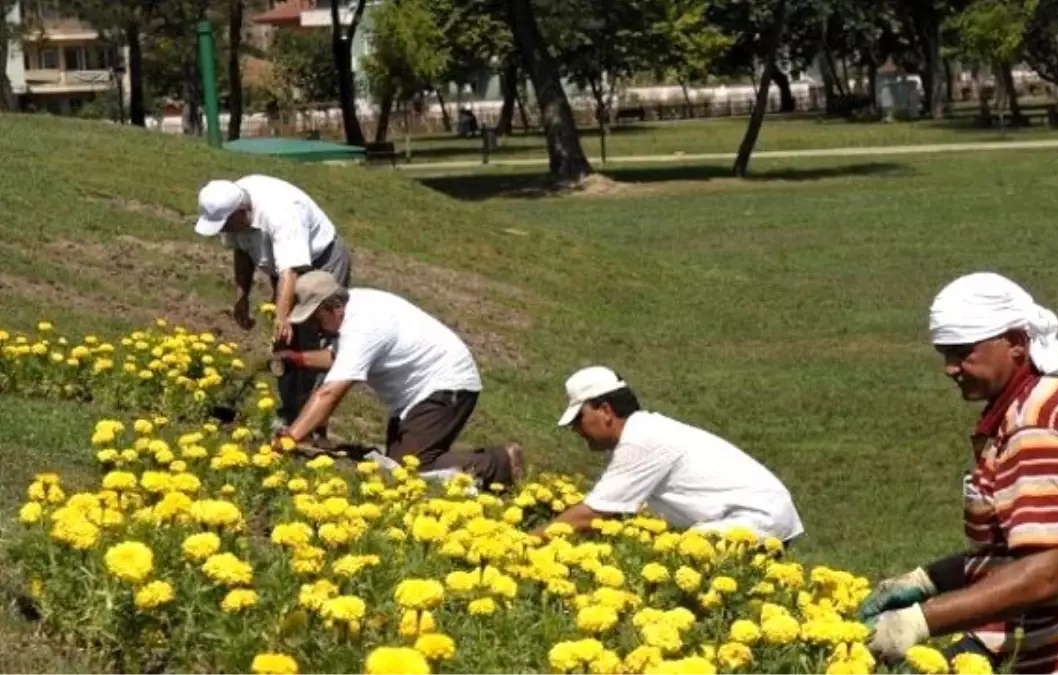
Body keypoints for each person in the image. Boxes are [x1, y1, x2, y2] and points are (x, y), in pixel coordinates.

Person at [861, 272, 1058, 674]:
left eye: (962, 352)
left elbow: (1040, 575)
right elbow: (1032, 543)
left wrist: (919, 621)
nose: (950, 368)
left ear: (1015, 342)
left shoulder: (1035, 426)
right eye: (944, 353)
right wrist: (929, 579)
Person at [270, 271, 525, 488]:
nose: (314, 328)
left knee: (410, 470)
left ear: (332, 307)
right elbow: (341, 357)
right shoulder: (354, 307)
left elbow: (330, 393)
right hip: (420, 392)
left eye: (316, 318)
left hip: (448, 384)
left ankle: (501, 462)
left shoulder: (362, 326)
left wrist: (289, 439)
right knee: (398, 463)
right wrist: (299, 359)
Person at [531, 366, 804, 544]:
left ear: (604, 410)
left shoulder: (641, 440)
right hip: (762, 512)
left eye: (578, 419)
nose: (576, 430)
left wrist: (525, 543)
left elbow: (594, 514)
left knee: (686, 557)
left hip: (756, 517)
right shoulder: (643, 432)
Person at [194, 174, 353, 444]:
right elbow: (242, 252)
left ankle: (314, 429)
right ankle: (290, 416)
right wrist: (241, 297)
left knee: (315, 344)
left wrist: (283, 316)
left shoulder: (281, 213)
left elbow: (290, 270)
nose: (223, 231)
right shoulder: (231, 208)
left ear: (242, 212)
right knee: (285, 344)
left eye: (226, 224)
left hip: (321, 263)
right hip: (284, 270)